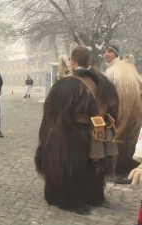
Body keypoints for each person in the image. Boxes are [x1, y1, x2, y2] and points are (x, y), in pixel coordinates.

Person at [35, 46, 120, 214]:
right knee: (94, 163)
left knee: (73, 165)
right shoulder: (102, 81)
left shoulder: (66, 84)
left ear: (73, 62)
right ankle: (94, 196)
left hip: (74, 133)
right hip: (98, 131)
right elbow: (113, 107)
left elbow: (52, 114)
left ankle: (71, 200)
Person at [104, 44, 142, 184]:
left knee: (115, 136)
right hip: (133, 116)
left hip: (117, 113)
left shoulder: (113, 71)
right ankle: (127, 168)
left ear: (116, 54)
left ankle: (115, 168)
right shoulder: (130, 70)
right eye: (105, 52)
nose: (106, 54)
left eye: (109, 52)